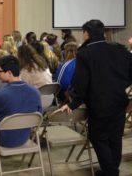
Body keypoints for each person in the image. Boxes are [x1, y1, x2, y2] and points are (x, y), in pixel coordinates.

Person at [60, 20, 132, 176]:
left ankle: (110, 172)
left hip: (99, 103)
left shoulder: (85, 53)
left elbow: (81, 83)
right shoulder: (121, 50)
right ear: (104, 32)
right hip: (120, 101)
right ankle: (112, 170)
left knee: (98, 137)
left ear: (86, 34)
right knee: (115, 137)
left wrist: (73, 104)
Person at [0, 55, 42, 147]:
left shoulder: (0, 94)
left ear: (9, 73)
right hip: (24, 137)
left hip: (2, 139)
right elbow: (39, 114)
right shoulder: (36, 92)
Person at [18, 44, 53, 108]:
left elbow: (22, 89)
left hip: (38, 101)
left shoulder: (27, 70)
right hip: (50, 98)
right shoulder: (43, 65)